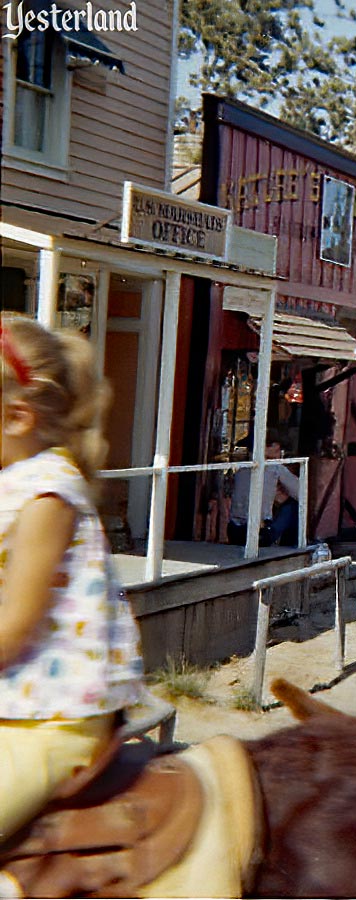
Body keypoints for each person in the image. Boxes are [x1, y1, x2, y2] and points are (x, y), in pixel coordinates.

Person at [0, 316, 144, 841]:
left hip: (51, 714)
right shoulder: (12, 482)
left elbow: (14, 626)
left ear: (17, 418)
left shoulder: (46, 496)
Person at [227, 431, 300, 548]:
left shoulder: (241, 469)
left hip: (233, 530)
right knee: (293, 506)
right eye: (277, 449)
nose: (279, 454)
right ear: (266, 448)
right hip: (259, 533)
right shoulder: (275, 468)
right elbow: (301, 493)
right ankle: (291, 545)